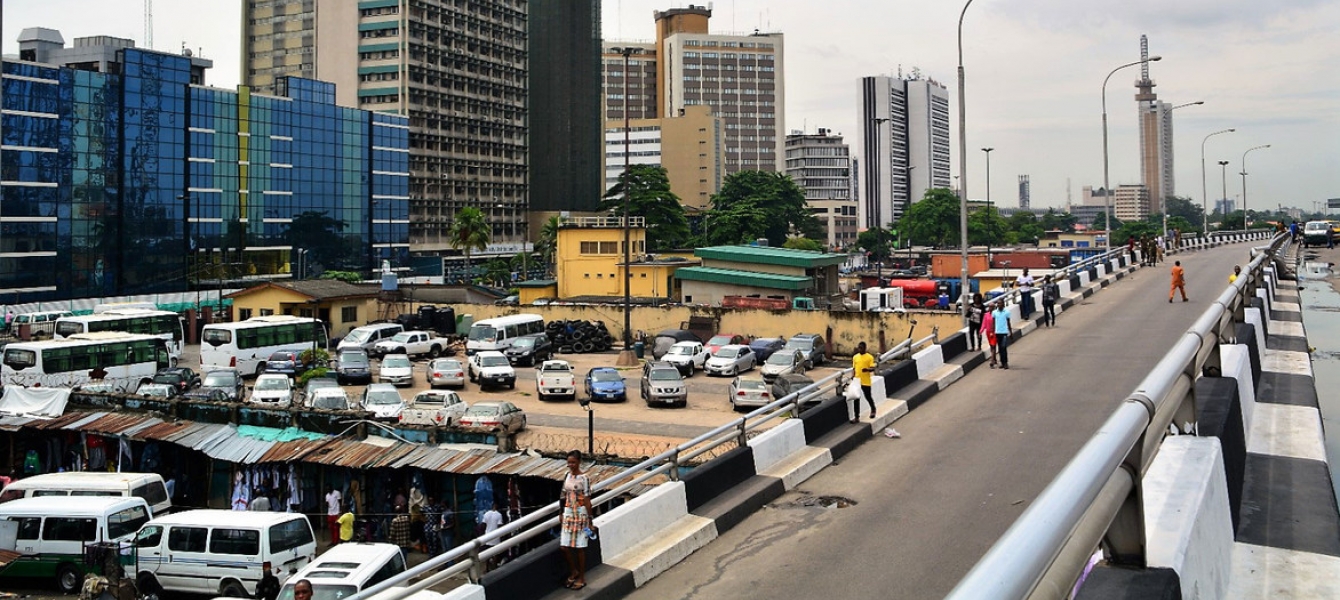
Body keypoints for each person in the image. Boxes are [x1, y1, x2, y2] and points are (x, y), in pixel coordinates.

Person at [559, 450, 596, 590]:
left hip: (580, 513)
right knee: (564, 546)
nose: (571, 465)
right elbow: (562, 495)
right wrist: (561, 512)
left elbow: (587, 499)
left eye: (573, 462)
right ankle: (573, 570)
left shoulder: (584, 478)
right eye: (569, 462)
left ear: (579, 462)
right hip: (568, 512)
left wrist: (590, 520)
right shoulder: (567, 476)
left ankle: (581, 577)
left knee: (580, 548)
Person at [850, 342, 877, 423]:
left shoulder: (869, 357)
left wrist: (867, 370)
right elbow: (854, 368)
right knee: (856, 399)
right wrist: (852, 376)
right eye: (859, 348)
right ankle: (856, 417)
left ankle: (873, 409)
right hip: (857, 380)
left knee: (868, 396)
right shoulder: (855, 357)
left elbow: (872, 368)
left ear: (865, 348)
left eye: (861, 348)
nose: (860, 349)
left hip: (865, 381)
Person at [482, 502, 504, 567]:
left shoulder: (486, 514)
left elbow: (483, 525)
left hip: (488, 535)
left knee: (488, 553)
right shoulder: (499, 515)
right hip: (496, 536)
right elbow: (499, 525)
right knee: (495, 553)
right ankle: (494, 567)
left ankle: (487, 568)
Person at [992, 300, 1012, 370]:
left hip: (1004, 332)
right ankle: (1002, 362)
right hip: (997, 332)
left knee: (1003, 347)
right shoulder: (994, 312)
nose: (999, 304)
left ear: (1003, 304)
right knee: (1000, 348)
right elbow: (993, 323)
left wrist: (1010, 332)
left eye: (1000, 303)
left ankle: (1005, 362)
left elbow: (1008, 322)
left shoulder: (1006, 312)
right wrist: (993, 331)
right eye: (998, 303)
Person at [981, 301, 998, 368]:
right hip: (988, 332)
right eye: (989, 307)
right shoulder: (986, 315)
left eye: (992, 307)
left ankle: (992, 361)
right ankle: (995, 359)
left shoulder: (996, 314)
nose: (990, 308)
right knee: (991, 346)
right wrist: (981, 331)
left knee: (993, 346)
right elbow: (983, 324)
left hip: (994, 332)